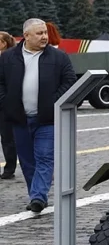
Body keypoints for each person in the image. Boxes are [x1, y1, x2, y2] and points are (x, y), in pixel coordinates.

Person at [0, 18, 76, 213]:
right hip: (19, 118)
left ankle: (38, 197)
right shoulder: (8, 58)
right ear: (26, 36)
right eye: (39, 33)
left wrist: (53, 102)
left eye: (45, 33)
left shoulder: (59, 57)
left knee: (44, 157)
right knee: (27, 161)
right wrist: (6, 102)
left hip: (47, 119)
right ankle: (35, 193)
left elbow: (69, 81)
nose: (44, 36)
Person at [0, 31, 18, 179]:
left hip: (6, 104)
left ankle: (9, 168)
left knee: (8, 138)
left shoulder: (10, 58)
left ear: (4, 43)